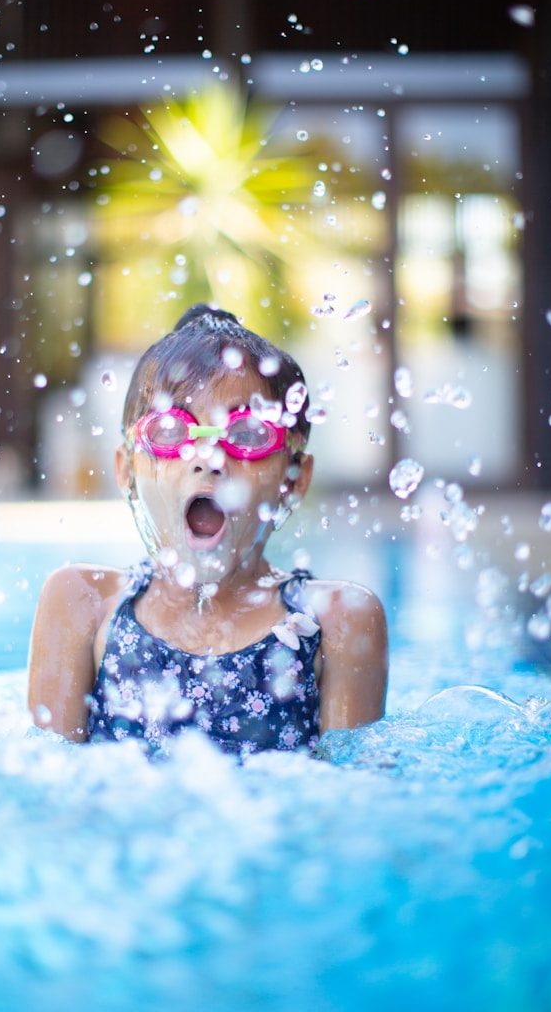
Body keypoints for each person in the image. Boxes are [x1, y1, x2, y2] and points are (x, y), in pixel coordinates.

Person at [28, 304, 387, 756]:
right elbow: (48, 790)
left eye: (249, 435)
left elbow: (354, 801)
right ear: (126, 470)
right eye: (170, 431)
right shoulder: (83, 603)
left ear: (294, 479)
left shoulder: (336, 619)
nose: (208, 458)